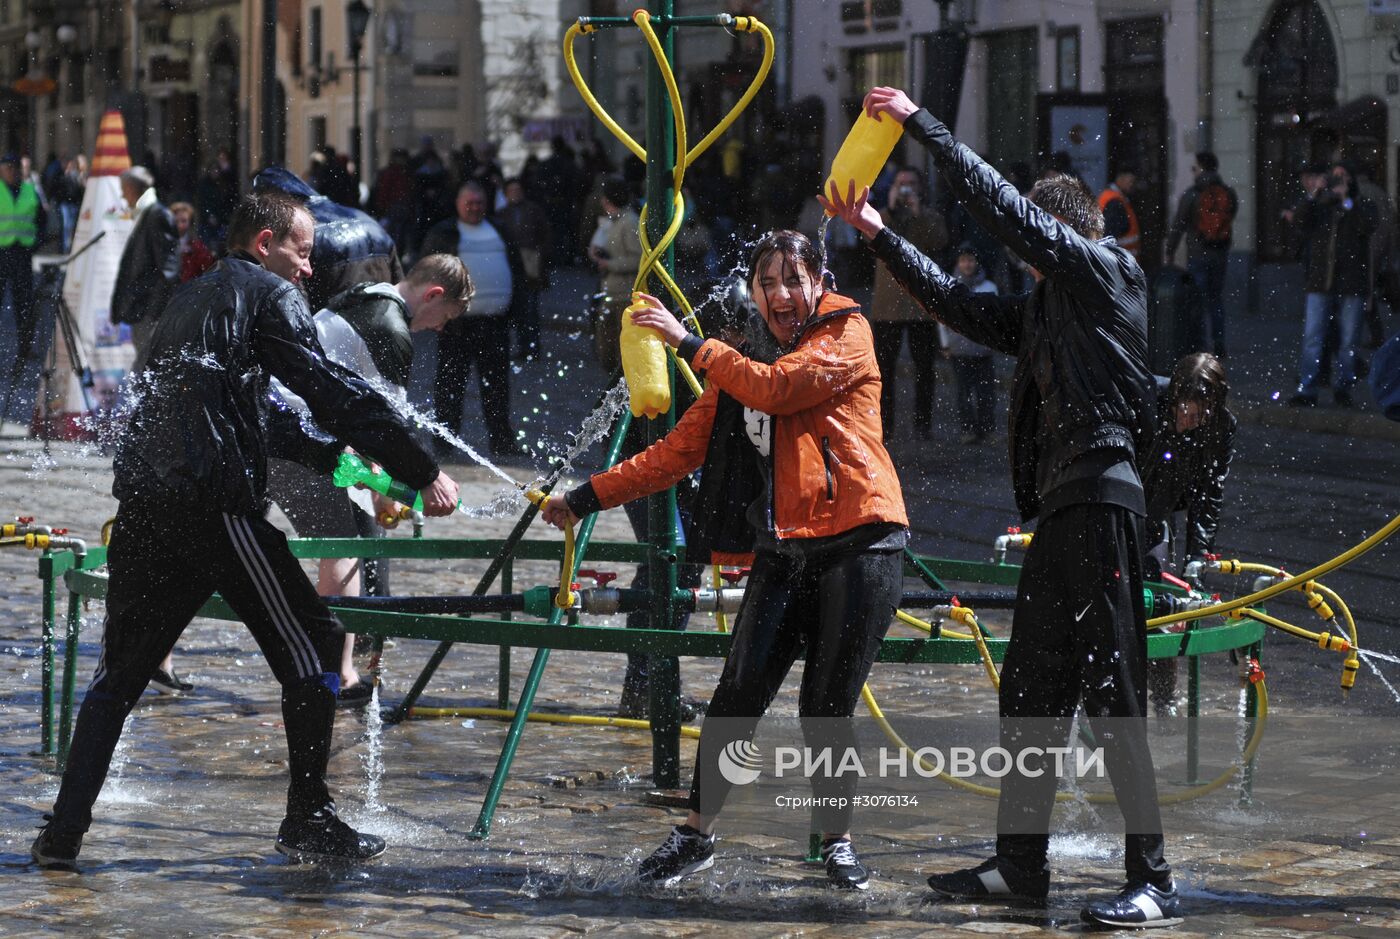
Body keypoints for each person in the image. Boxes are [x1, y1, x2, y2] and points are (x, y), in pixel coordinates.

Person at [823, 86, 1179, 929]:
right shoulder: (1053, 304)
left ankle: (1154, 879)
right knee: (1030, 690)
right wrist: (875, 232)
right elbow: (955, 303)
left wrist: (922, 126)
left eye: (1034, 250)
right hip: (1060, 510)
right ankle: (1020, 864)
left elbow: (1003, 207)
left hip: (1105, 500)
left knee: (1113, 691)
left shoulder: (1105, 272)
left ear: (1056, 242)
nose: (1025, 262)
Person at [30, 192, 461, 872]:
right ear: (265, 244)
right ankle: (309, 816)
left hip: (144, 505)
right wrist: (420, 467)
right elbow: (330, 388)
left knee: (119, 677)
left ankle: (62, 834)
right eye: (303, 251)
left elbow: (249, 408)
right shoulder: (269, 294)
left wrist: (328, 458)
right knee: (317, 640)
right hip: (214, 509)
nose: (310, 270)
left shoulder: (190, 299)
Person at [542, 230, 909, 891]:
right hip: (785, 546)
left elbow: (781, 389)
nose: (780, 295)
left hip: (863, 538)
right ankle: (695, 833)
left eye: (793, 279)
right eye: (766, 283)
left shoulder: (846, 330)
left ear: (818, 281)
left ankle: (837, 842)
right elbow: (674, 455)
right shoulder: (742, 367)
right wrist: (582, 496)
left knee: (825, 705)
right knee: (736, 695)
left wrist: (688, 342)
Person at [268, 253, 473, 707]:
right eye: (447, 317)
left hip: (272, 421)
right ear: (434, 295)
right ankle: (334, 679)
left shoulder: (364, 294)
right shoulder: (391, 329)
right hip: (295, 437)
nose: (441, 328)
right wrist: (417, 481)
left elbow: (353, 403)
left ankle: (334, 669)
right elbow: (386, 427)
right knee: (342, 547)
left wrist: (375, 480)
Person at [1141, 353, 1234, 718]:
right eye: (1181, 411)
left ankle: (1164, 705)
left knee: (1165, 606)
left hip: (1156, 519)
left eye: (1195, 415)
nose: (1185, 421)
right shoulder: (1145, 398)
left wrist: (1198, 557)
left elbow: (1209, 494)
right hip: (1114, 511)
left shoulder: (1222, 426)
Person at [421, 181, 526, 457]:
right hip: (457, 325)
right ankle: (445, 442)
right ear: (458, 203)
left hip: (494, 323)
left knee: (497, 388)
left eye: (479, 202)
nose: (474, 207)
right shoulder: (444, 233)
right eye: (469, 202)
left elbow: (517, 270)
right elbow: (428, 274)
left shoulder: (499, 230)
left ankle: (502, 440)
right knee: (450, 386)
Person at [1288, 162, 1378, 408]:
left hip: (1352, 284)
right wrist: (1315, 193)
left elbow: (1367, 226)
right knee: (1313, 337)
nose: (1338, 182)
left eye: (1343, 177)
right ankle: (1308, 388)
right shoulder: (1319, 206)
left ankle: (1344, 388)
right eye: (1334, 178)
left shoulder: (1362, 205)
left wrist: (1347, 200)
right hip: (1320, 282)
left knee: (1349, 341)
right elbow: (1299, 222)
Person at [870, 166, 948, 442]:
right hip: (887, 306)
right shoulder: (881, 216)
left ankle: (922, 424)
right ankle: (884, 425)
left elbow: (939, 241)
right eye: (901, 183)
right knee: (883, 369)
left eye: (911, 184)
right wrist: (890, 208)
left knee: (925, 368)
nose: (906, 189)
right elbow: (870, 238)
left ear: (921, 188)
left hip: (920, 305)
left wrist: (918, 213)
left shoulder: (930, 216)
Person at [1165, 152, 1239, 359]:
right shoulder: (1228, 193)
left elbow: (1178, 225)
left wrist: (1170, 250)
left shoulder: (1192, 194)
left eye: (1194, 168)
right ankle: (1219, 343)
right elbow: (1230, 217)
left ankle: (1199, 343)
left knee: (1197, 299)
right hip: (1220, 253)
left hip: (1197, 253)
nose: (1193, 172)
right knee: (1216, 299)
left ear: (1201, 168)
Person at [110, 167, 181, 369]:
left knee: (147, 370)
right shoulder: (147, 214)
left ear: (134, 189)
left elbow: (169, 271)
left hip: (149, 312)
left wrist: (154, 313)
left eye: (124, 189)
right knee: (144, 370)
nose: (123, 195)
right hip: (142, 309)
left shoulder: (157, 215)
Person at [942, 245, 999, 444]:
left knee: (986, 393)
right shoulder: (950, 286)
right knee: (964, 393)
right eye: (963, 260)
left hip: (983, 347)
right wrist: (945, 343)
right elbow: (943, 319)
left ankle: (987, 428)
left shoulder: (990, 288)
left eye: (970, 260)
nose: (967, 264)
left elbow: (995, 318)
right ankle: (968, 428)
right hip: (960, 347)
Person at [587, 175, 644, 375]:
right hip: (609, 291)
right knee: (606, 349)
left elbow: (639, 259)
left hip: (624, 295)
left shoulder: (629, 222)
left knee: (620, 352)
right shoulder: (611, 221)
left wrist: (609, 263)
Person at [495, 177, 551, 360]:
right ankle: (522, 346)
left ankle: (532, 347)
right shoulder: (502, 214)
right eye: (511, 191)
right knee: (519, 311)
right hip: (511, 266)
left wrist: (539, 256)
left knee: (530, 309)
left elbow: (545, 235)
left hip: (530, 264)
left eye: (517, 190)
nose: (515, 194)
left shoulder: (533, 211)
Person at [0, 153, 46, 364]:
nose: (10, 171)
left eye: (13, 167)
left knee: (24, 304)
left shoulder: (30, 190)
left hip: (22, 254)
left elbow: (42, 220)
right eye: (6, 168)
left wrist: (37, 241)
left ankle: (25, 348)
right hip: (1, 253)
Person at [1098, 166, 1141, 262]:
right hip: (1120, 262)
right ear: (1120, 179)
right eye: (1130, 181)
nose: (1132, 185)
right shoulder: (1115, 202)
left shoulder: (1112, 197)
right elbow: (1109, 235)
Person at [170, 202, 217, 283]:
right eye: (176, 221)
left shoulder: (196, 246)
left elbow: (207, 267)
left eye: (184, 221)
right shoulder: (164, 242)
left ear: (190, 222)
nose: (179, 225)